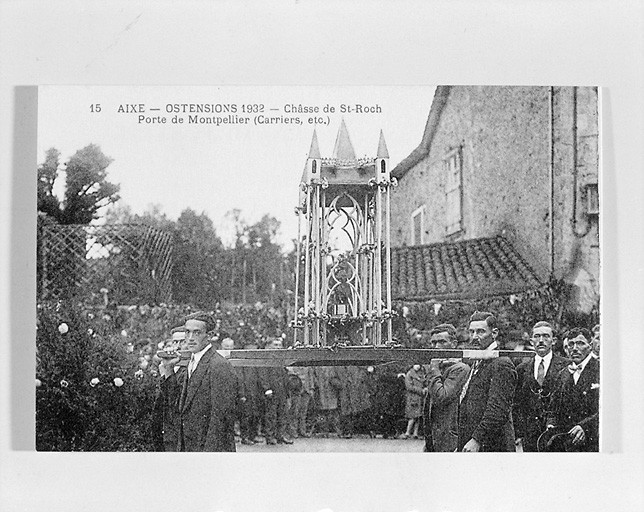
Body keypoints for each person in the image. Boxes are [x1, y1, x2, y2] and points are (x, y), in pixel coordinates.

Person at [158, 312, 238, 451]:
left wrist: (206, 459)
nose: (190, 338)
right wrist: (169, 369)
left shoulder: (218, 365)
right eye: (187, 332)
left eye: (197, 333)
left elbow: (220, 420)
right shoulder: (192, 362)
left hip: (207, 452)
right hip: (189, 449)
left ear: (210, 335)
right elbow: (177, 405)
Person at [458, 311, 517, 452]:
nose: (474, 337)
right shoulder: (478, 360)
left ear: (494, 333)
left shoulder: (501, 363)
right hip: (472, 444)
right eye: (471, 332)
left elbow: (498, 409)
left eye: (480, 332)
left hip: (492, 446)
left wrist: (476, 440)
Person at [513, 321, 569, 452]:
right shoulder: (522, 368)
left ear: (553, 341)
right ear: (532, 341)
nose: (541, 340)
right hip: (529, 437)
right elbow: (516, 403)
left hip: (557, 435)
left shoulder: (566, 365)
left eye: (546, 336)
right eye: (537, 336)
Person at [546, 327, 599, 452]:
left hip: (592, 441)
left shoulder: (601, 370)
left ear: (590, 345)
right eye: (571, 344)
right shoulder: (562, 374)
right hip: (566, 442)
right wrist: (551, 425)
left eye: (580, 343)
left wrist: (585, 427)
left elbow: (609, 409)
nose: (575, 348)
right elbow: (553, 408)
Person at [423, 323, 470, 452]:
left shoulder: (460, 369)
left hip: (450, 441)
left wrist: (433, 369)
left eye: (442, 342)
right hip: (435, 439)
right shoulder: (441, 367)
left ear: (454, 344)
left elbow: (441, 396)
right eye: (433, 343)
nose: (436, 347)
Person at [151, 326, 186, 451]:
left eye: (183, 341)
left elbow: (175, 400)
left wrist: (167, 373)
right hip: (165, 428)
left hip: (180, 430)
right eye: (175, 342)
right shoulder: (165, 365)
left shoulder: (189, 369)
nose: (178, 346)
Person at [259, 337, 293, 445]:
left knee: (282, 414)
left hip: (282, 390)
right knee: (271, 415)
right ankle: (270, 437)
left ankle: (280, 435)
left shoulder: (281, 358)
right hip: (272, 391)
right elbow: (263, 375)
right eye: (275, 345)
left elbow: (284, 375)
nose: (278, 347)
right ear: (269, 346)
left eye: (279, 345)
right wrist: (267, 389)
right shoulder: (266, 359)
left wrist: (287, 391)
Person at [238, 339, 264, 445]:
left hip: (256, 393)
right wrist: (242, 394)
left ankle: (253, 436)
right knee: (246, 416)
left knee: (255, 415)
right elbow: (240, 379)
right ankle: (245, 437)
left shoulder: (258, 363)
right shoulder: (242, 363)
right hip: (247, 394)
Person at [401, 364, 427, 439]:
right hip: (412, 397)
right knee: (412, 416)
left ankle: (415, 433)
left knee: (418, 416)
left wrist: (425, 388)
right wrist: (421, 390)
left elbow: (425, 382)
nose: (417, 366)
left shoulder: (421, 373)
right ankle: (407, 432)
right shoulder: (409, 374)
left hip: (420, 397)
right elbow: (409, 387)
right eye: (416, 364)